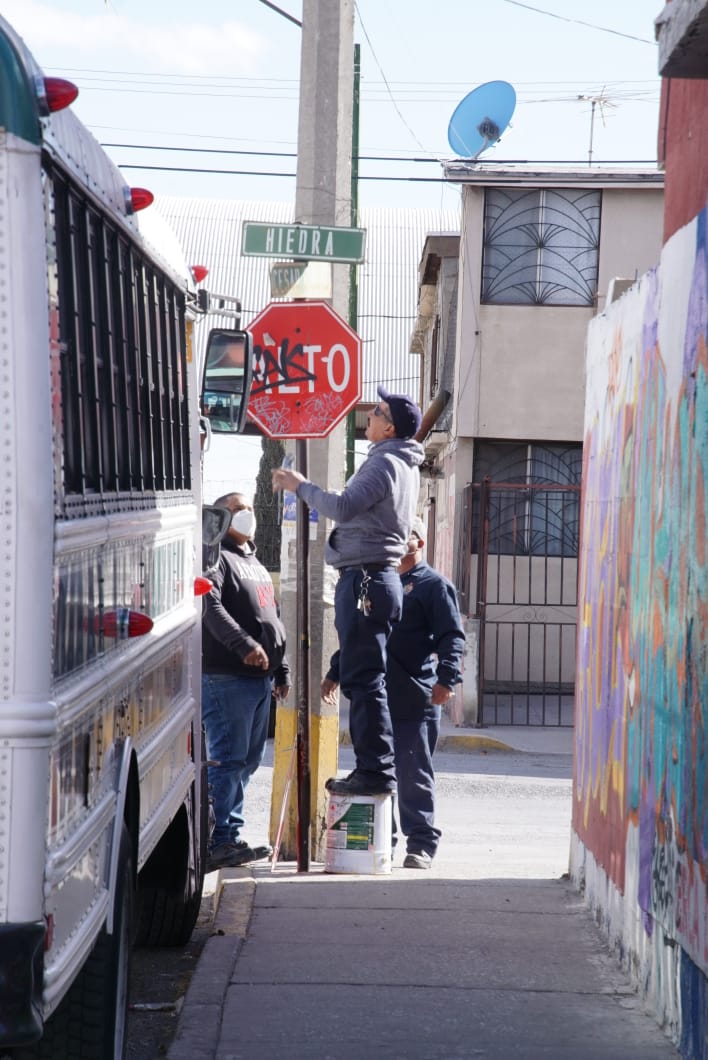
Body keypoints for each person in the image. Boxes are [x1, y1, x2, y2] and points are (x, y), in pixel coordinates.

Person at [272, 385, 425, 797]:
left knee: (365, 683)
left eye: (376, 411)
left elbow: (341, 507)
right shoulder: (398, 462)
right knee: (364, 679)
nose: (369, 416)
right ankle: (374, 769)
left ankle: (374, 771)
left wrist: (301, 486)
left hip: (366, 580)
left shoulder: (385, 463)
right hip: (373, 580)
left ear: (389, 427)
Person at [322, 517, 465, 868]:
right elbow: (360, 640)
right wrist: (335, 673)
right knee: (378, 772)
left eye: (409, 537)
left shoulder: (434, 585)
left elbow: (452, 637)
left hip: (415, 699)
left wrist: (447, 679)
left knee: (413, 774)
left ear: (420, 542)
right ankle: (385, 840)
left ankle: (421, 845)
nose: (402, 543)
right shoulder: (381, 585)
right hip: (377, 700)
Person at [201, 491, 290, 871]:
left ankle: (230, 836)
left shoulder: (251, 559)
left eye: (249, 508)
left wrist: (280, 668)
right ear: (221, 517)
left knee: (247, 762)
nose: (247, 514)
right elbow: (210, 606)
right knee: (228, 760)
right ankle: (218, 840)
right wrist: (244, 645)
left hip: (258, 679)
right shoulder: (215, 556)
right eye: (237, 509)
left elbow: (270, 613)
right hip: (227, 678)